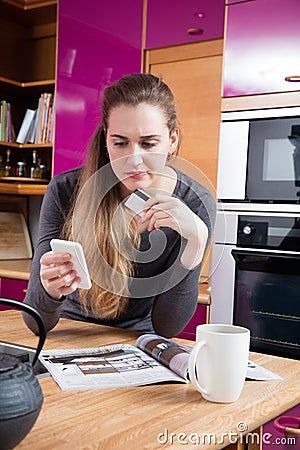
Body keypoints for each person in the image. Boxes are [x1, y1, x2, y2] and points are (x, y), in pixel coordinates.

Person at [23, 73, 216, 337]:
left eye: (148, 144)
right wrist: (49, 291)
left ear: (172, 140)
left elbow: (168, 328)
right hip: (69, 334)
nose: (133, 160)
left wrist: (195, 246)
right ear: (106, 139)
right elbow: (35, 323)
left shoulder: (196, 202)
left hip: (138, 342)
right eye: (120, 143)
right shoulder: (64, 191)